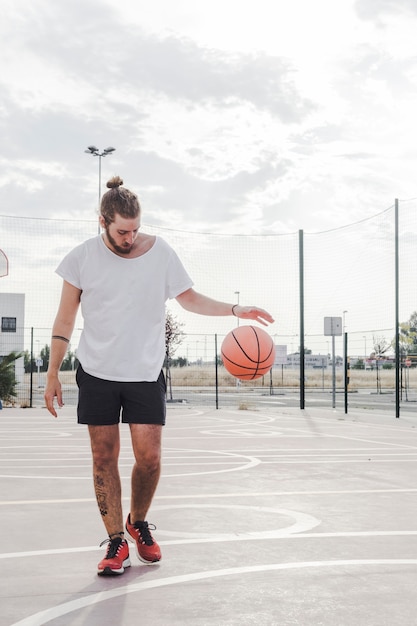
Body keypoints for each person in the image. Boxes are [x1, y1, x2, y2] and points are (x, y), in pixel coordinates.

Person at [44, 176, 274, 576]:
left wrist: (236, 310)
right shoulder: (81, 258)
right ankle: (116, 541)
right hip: (97, 370)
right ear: (102, 222)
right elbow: (65, 319)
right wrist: (51, 374)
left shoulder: (160, 252)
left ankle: (138, 522)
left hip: (145, 371)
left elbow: (189, 298)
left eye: (135, 229)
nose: (130, 237)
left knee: (149, 459)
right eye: (121, 231)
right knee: (104, 458)